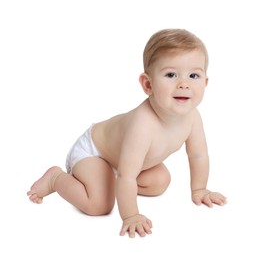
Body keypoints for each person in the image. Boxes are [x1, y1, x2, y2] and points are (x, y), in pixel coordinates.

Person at [27, 28, 227, 238]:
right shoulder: (143, 125)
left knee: (160, 181)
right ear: (148, 84)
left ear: (205, 83)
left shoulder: (193, 118)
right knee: (99, 205)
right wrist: (131, 215)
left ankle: (108, 182)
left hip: (123, 163)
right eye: (171, 74)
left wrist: (200, 190)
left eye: (193, 75)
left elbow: (198, 155)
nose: (184, 84)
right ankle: (55, 179)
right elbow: (127, 174)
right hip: (94, 153)